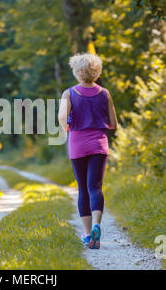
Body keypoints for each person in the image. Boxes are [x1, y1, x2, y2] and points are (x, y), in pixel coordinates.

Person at [58, 53, 118, 250]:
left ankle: (86, 235)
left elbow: (61, 118)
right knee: (96, 187)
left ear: (77, 71)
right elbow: (113, 123)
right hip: (99, 145)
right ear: (97, 71)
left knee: (82, 189)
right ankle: (96, 226)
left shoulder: (69, 93)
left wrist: (67, 124)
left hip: (78, 144)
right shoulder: (105, 93)